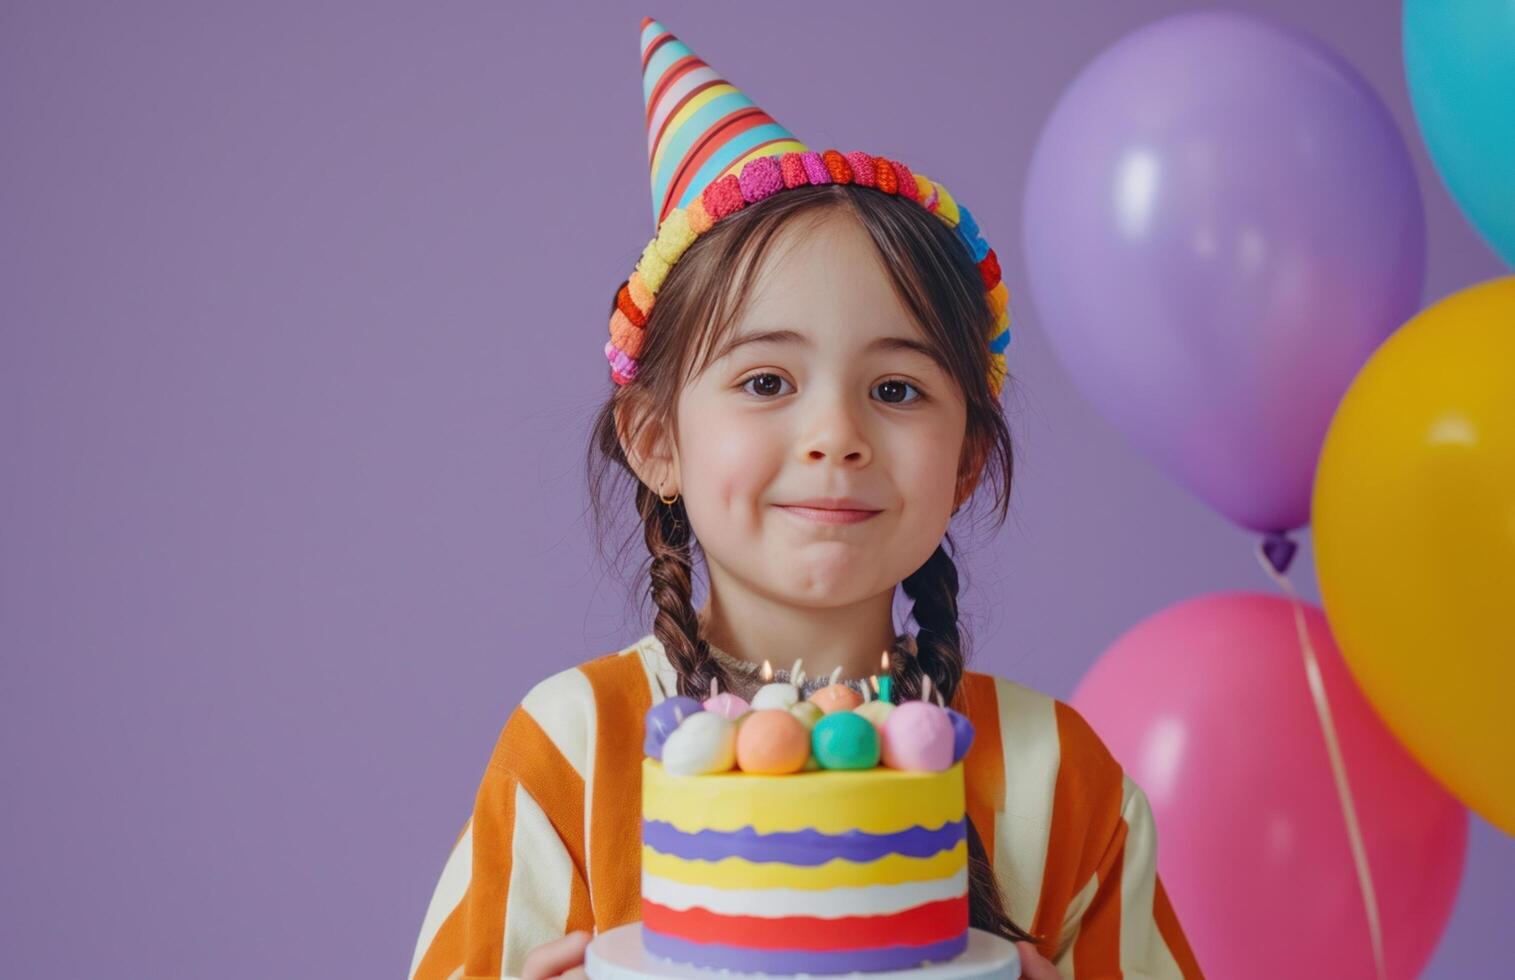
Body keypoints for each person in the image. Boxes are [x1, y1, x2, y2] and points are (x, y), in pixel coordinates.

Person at [409, 17, 1203, 980]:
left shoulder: (1055, 773)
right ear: (656, 441)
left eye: (896, 390)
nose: (836, 435)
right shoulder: (575, 748)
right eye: (766, 382)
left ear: (964, 464)